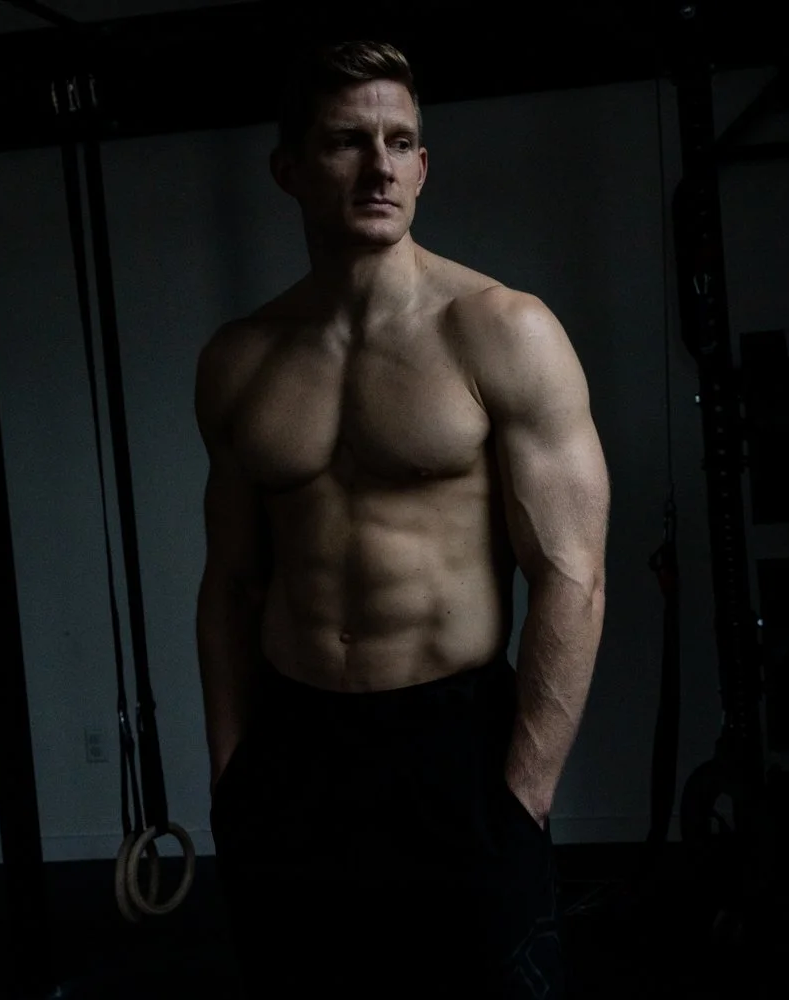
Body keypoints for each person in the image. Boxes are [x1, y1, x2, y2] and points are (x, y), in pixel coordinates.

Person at [193, 40, 609, 1000]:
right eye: (347, 142)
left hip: (454, 745)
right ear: (289, 170)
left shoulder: (503, 330)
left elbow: (571, 576)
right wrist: (232, 774)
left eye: (400, 141)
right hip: (294, 751)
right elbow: (232, 581)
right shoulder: (239, 358)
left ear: (424, 165)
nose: (379, 166)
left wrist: (525, 794)